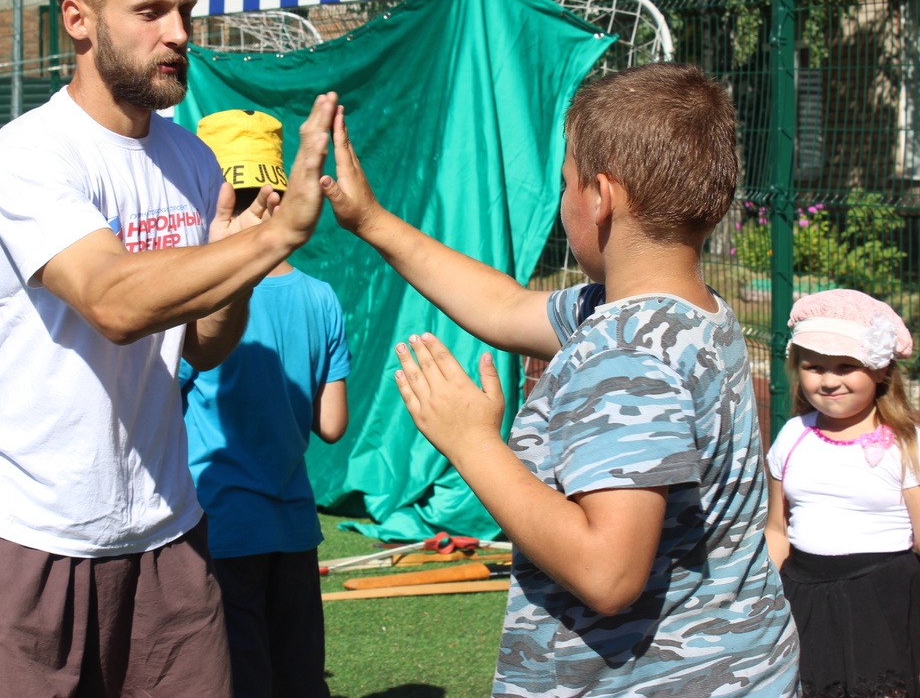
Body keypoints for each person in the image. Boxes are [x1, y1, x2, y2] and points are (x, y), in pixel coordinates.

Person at [0, 0, 336, 697]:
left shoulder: (191, 158)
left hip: (165, 530)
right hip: (28, 534)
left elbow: (201, 346)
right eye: (151, 11)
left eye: (183, 9)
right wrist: (270, 238)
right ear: (78, 20)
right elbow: (113, 301)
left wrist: (238, 270)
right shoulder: (28, 153)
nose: (179, 32)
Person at [319, 62, 799, 696]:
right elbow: (505, 307)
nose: (564, 197)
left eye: (566, 182)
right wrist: (371, 221)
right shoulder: (689, 313)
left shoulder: (625, 358)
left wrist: (471, 444)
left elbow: (608, 572)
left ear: (600, 197)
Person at [182, 108, 351, 698]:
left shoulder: (196, 298)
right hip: (295, 528)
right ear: (280, 192)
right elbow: (332, 424)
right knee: (299, 675)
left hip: (218, 528)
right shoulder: (322, 298)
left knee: (237, 677)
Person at [765, 289, 920, 698]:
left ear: (881, 371)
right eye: (815, 367)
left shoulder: (906, 443)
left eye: (846, 366)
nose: (829, 380)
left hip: (882, 598)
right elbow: (778, 529)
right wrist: (767, 596)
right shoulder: (792, 436)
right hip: (805, 594)